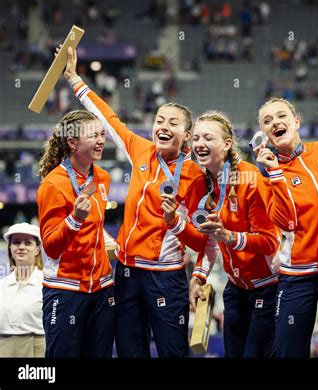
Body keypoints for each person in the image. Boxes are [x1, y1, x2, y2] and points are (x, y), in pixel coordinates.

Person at [60, 46, 210, 357]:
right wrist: (75, 78)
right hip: (126, 273)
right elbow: (108, 116)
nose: (163, 127)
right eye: (159, 120)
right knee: (130, 352)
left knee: (173, 353)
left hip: (166, 277)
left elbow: (205, 242)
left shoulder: (197, 176)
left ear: (187, 134)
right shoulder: (140, 150)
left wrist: (178, 227)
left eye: (173, 123)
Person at [162, 111, 280, 357]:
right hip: (235, 289)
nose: (199, 144)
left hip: (267, 288)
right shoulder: (199, 185)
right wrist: (198, 278)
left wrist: (229, 236)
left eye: (208, 138)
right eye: (195, 138)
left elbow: (270, 242)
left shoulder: (251, 178)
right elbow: (208, 244)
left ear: (227, 144)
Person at [254, 97, 318, 357]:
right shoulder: (265, 174)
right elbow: (285, 221)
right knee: (290, 351)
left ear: (296, 122)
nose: (275, 123)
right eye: (267, 121)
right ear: (264, 135)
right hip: (297, 274)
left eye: (281, 116)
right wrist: (275, 175)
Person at [37, 110, 114, 357]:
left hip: (102, 288)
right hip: (66, 288)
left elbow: (96, 229)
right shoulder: (53, 184)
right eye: (94, 135)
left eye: (103, 134)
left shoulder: (103, 177)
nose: (101, 140)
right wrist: (74, 220)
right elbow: (50, 246)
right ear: (72, 142)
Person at [0, 223, 45, 357]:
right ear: (10, 248)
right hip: (4, 348)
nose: (21, 247)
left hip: (37, 348)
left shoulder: (46, 285)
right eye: (16, 242)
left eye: (27, 243)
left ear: (37, 249)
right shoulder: (2, 285)